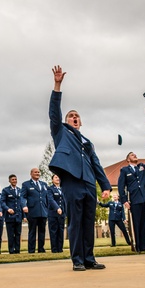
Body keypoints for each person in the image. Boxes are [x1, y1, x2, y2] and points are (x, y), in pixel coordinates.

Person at [48, 65, 112, 271]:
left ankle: (89, 258)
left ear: (80, 122)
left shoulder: (87, 141)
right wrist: (57, 85)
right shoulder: (61, 132)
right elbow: (54, 113)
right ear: (67, 121)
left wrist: (105, 185)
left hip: (88, 183)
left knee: (88, 221)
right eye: (71, 115)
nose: (75, 117)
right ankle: (77, 259)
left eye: (77, 116)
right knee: (75, 221)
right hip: (72, 181)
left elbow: (96, 163)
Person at [118, 146, 145, 252]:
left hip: (144, 198)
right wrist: (124, 201)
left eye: (135, 154)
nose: (134, 155)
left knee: (143, 223)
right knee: (136, 223)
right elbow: (121, 186)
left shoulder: (141, 167)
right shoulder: (125, 170)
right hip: (134, 200)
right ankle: (137, 246)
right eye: (132, 155)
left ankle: (143, 247)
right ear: (128, 159)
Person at [21, 168, 49, 253]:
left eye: (38, 172)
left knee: (42, 231)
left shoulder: (44, 184)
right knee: (32, 231)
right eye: (35, 172)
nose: (37, 173)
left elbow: (47, 197)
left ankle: (41, 248)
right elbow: (22, 197)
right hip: (33, 211)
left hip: (43, 211)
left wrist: (47, 209)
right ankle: (31, 249)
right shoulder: (26, 184)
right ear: (31, 174)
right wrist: (24, 206)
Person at [0, 174, 23, 254]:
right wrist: (7, 209)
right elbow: (2, 202)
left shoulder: (20, 190)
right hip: (10, 216)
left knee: (18, 234)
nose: (14, 181)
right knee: (10, 234)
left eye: (15, 179)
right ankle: (11, 250)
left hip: (18, 216)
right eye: (13, 179)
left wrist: (24, 215)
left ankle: (17, 250)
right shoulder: (6, 190)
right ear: (9, 181)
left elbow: (21, 203)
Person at [46, 174, 65, 253]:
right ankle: (54, 249)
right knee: (54, 231)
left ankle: (60, 249)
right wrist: (57, 208)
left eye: (58, 177)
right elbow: (51, 200)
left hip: (62, 214)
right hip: (53, 213)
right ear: (52, 180)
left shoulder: (62, 188)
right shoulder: (50, 189)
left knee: (61, 231)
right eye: (56, 177)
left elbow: (65, 200)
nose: (58, 179)